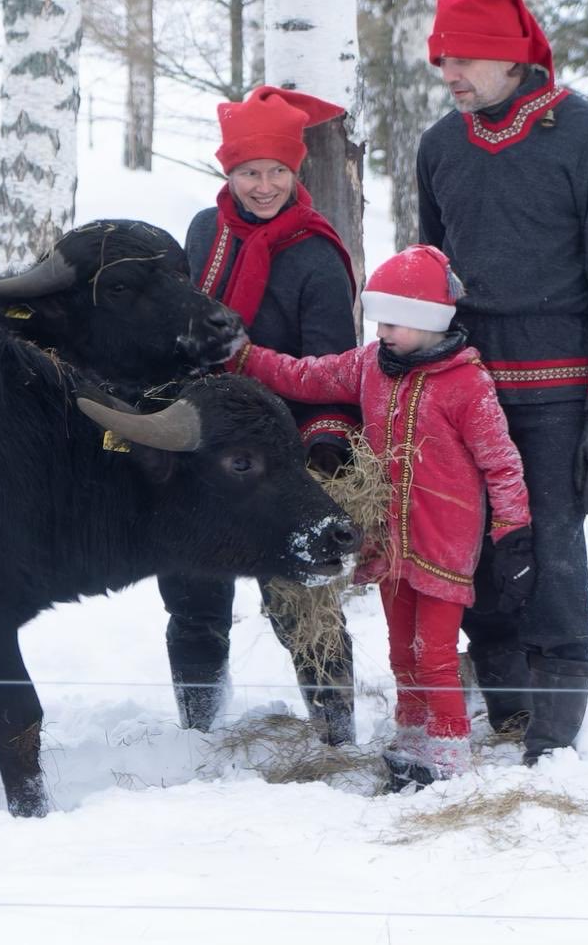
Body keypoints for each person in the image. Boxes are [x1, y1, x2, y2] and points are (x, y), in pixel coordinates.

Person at [417, 0, 588, 763]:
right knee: (474, 541)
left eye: (462, 58)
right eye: (440, 59)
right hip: (465, 388)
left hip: (559, 389)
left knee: (550, 547)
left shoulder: (585, 134)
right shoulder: (439, 146)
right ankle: (506, 692)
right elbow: (432, 275)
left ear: (511, 57)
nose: (448, 73)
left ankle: (556, 705)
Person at [227, 244, 535, 787]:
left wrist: (513, 532)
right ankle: (411, 738)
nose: (382, 331)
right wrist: (247, 357)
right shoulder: (371, 365)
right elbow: (307, 375)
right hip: (390, 540)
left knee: (434, 653)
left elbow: (501, 463)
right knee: (401, 651)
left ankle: (450, 755)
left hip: (443, 543)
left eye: (395, 322)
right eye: (380, 321)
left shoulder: (466, 383)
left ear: (430, 321)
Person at [164, 85, 361, 745]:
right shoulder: (205, 231)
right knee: (193, 596)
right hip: (204, 446)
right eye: (250, 171)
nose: (265, 185)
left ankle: (335, 732)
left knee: (297, 601)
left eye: (278, 170)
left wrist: (324, 445)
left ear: (296, 170)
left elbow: (332, 367)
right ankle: (199, 730)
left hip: (284, 453)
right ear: (228, 171)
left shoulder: (315, 256)